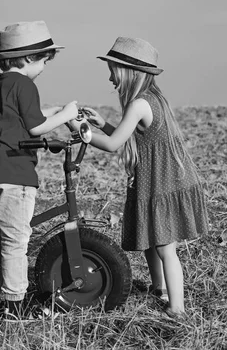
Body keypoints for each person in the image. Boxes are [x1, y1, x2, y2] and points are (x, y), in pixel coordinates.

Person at [70, 37, 208, 319]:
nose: (110, 77)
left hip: (161, 183)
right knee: (150, 242)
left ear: (129, 72)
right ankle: (160, 288)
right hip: (159, 180)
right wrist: (101, 124)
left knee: (166, 248)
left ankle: (176, 308)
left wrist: (80, 129)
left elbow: (113, 145)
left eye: (113, 70)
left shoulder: (139, 104)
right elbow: (130, 135)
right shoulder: (152, 99)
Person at [0, 21, 79, 319]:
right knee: (15, 243)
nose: (45, 66)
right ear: (30, 57)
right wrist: (68, 115)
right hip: (16, 176)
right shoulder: (26, 85)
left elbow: (19, 119)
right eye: (45, 59)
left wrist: (55, 111)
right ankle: (14, 305)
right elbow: (34, 125)